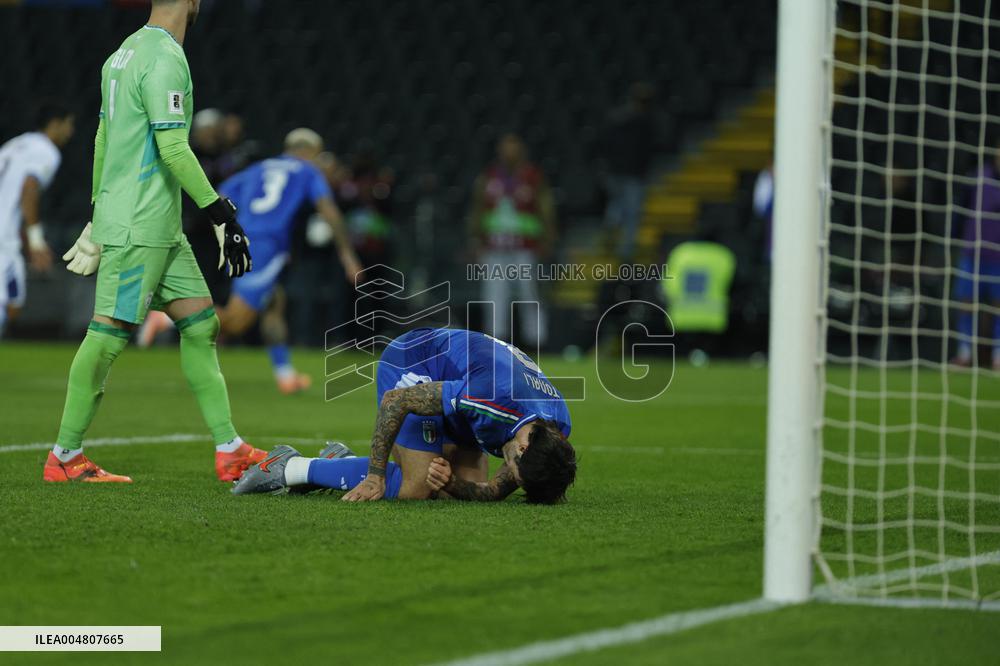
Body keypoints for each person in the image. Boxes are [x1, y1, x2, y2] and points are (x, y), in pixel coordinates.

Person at [47, 0, 263, 484]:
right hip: (141, 223)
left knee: (201, 322)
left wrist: (97, 209)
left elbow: (103, 137)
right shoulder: (165, 58)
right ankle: (64, 455)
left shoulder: (121, 54)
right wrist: (220, 212)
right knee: (107, 335)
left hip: (160, 226)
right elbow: (172, 146)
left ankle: (230, 449)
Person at [232, 327, 577, 503]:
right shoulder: (490, 399)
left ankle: (341, 462)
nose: (511, 480)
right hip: (415, 361)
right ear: (522, 449)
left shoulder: (555, 425)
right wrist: (374, 474)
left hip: (460, 383)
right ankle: (289, 467)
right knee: (415, 488)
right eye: (517, 475)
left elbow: (490, 490)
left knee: (449, 489)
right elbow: (396, 402)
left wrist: (454, 484)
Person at [139, 128, 363, 393]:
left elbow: (219, 195)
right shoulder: (307, 171)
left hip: (243, 239)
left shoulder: (258, 168)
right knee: (236, 322)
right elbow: (329, 211)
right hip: (266, 245)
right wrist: (348, 255)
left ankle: (285, 375)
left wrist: (232, 227)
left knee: (274, 303)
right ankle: (166, 319)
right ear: (311, 151)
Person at [468, 133, 556, 347]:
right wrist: (475, 239)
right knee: (494, 297)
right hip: (494, 248)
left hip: (525, 248)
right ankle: (496, 343)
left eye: (513, 148)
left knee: (530, 294)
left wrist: (548, 238)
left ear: (521, 151)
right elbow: (477, 209)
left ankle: (537, 342)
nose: (509, 153)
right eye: (505, 148)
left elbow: (546, 208)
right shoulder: (488, 177)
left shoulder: (532, 177)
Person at [0, 102, 75, 338]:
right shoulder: (46, 151)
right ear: (54, 124)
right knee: (10, 303)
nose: (70, 131)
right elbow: (29, 187)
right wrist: (35, 240)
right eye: (68, 124)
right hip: (2, 238)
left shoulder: (16, 144)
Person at [952, 147, 1000, 369]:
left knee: (997, 307)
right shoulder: (976, 178)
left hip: (998, 258)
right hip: (973, 254)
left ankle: (998, 355)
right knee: (966, 304)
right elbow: (960, 211)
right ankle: (965, 351)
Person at [599, 82, 656, 262]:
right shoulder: (644, 122)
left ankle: (611, 223)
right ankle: (627, 250)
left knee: (618, 203)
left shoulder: (616, 118)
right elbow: (645, 150)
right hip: (632, 173)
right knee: (632, 212)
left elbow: (604, 145)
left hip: (615, 171)